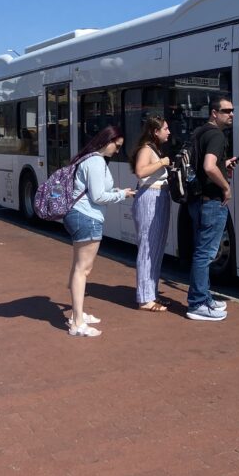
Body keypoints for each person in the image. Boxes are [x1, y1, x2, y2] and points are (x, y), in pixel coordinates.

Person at [64, 125, 136, 337]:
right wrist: (121, 194)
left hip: (79, 215)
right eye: (117, 146)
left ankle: (78, 313)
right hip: (88, 217)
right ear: (108, 141)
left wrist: (117, 192)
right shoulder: (95, 162)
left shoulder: (90, 160)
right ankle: (77, 322)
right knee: (83, 270)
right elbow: (97, 197)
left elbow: (96, 191)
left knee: (79, 267)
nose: (118, 150)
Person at [187, 96, 238, 321]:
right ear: (214, 113)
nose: (231, 114)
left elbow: (203, 165)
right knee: (205, 253)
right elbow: (208, 167)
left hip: (197, 200)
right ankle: (198, 302)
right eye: (226, 111)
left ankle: (204, 297)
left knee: (201, 251)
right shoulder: (217, 135)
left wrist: (223, 165)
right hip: (211, 202)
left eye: (232, 110)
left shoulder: (200, 132)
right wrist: (226, 187)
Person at [130, 116, 172, 312]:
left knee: (156, 247)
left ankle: (151, 293)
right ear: (155, 131)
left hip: (160, 196)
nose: (168, 132)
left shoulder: (154, 149)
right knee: (148, 247)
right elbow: (140, 171)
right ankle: (145, 298)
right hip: (149, 196)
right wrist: (163, 162)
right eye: (165, 129)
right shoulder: (147, 149)